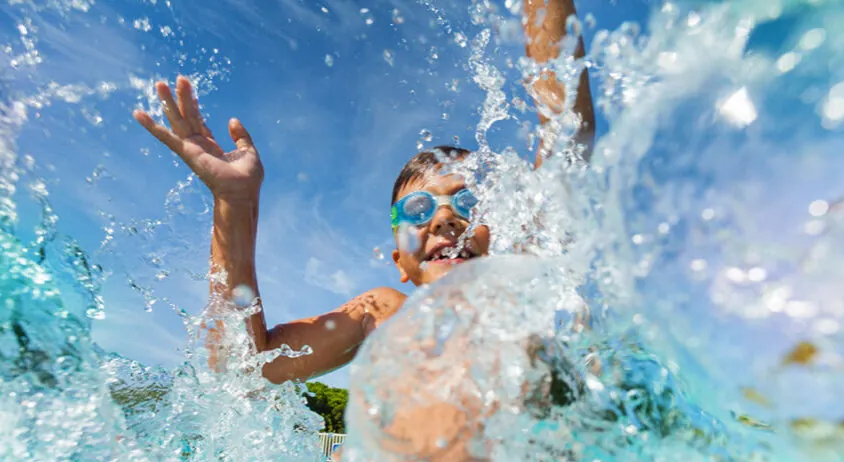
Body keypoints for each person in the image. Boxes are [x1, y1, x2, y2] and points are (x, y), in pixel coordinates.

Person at [133, 0, 595, 391]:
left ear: (500, 232)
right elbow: (243, 368)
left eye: (470, 203)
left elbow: (566, 136)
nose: (447, 217)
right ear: (401, 262)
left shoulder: (529, 304)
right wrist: (234, 205)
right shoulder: (383, 314)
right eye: (418, 210)